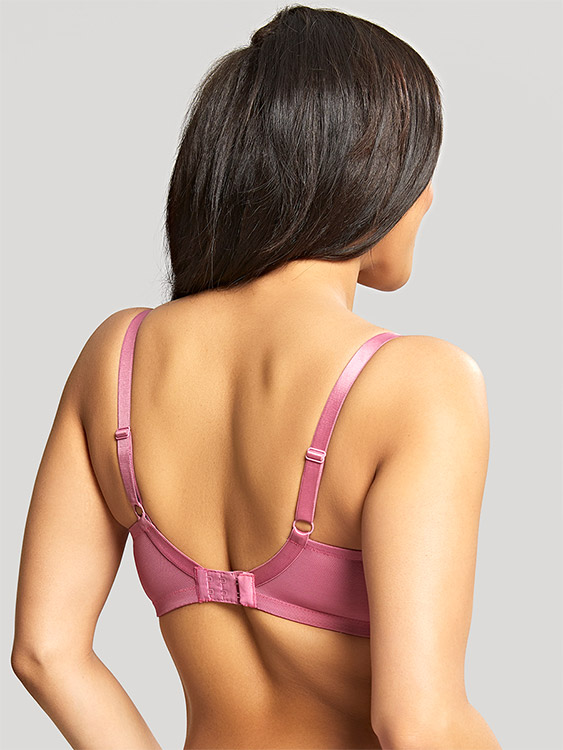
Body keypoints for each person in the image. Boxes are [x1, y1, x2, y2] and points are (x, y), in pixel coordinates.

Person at [11, 5, 502, 749]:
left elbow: (46, 652)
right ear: (365, 168)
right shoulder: (419, 383)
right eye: (419, 164)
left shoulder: (117, 357)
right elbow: (420, 720)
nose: (427, 195)